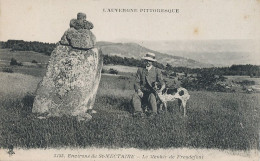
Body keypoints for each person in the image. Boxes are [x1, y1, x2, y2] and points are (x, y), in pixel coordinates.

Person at [131, 52, 165, 118]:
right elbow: (136, 82)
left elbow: (162, 83)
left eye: (150, 61)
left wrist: (160, 90)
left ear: (152, 62)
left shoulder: (156, 70)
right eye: (147, 60)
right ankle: (138, 112)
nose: (148, 62)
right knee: (135, 95)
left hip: (152, 92)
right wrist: (138, 90)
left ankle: (154, 113)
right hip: (142, 92)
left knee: (152, 96)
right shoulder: (140, 70)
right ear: (145, 61)